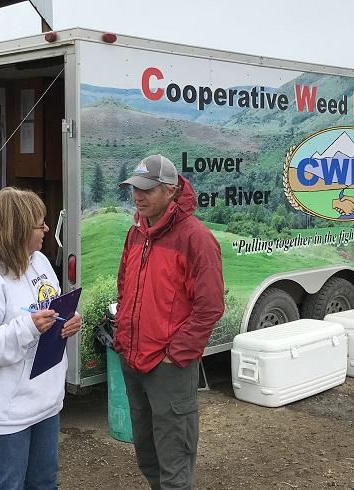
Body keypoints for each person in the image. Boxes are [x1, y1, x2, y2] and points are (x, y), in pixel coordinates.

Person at [0, 187, 81, 490]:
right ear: (17, 229)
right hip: (4, 411)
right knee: (7, 484)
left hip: (44, 401)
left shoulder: (39, 262)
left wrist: (67, 322)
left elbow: (51, 309)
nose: (47, 229)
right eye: (40, 223)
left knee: (44, 483)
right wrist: (28, 328)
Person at [115, 154, 225, 490]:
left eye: (147, 190)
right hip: (133, 361)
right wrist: (122, 335)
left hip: (168, 368)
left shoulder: (196, 238)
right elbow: (124, 284)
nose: (138, 196)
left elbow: (210, 307)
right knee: (147, 455)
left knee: (174, 461)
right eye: (135, 189)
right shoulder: (137, 232)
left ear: (171, 191)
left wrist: (175, 353)